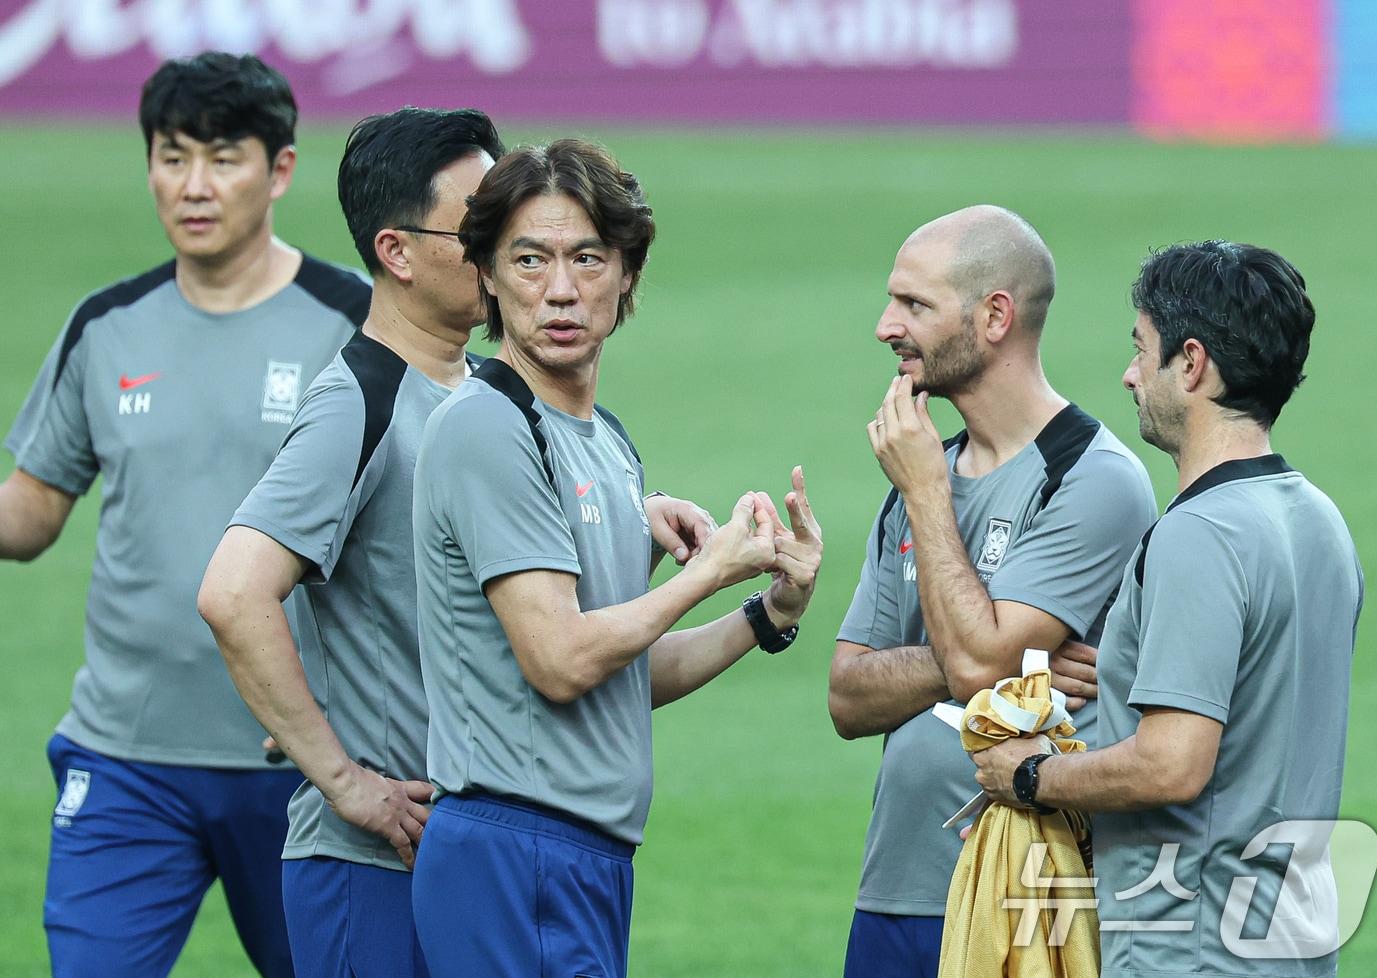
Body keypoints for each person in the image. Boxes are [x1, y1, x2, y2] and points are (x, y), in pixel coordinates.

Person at [199, 108, 722, 978]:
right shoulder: (357, 402)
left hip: (474, 846)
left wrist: (634, 513)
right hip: (374, 859)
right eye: (478, 224)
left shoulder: (493, 397)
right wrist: (342, 778)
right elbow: (232, 591)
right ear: (399, 252)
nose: (505, 241)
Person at [409, 138, 824, 978]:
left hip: (578, 859)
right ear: (486, 274)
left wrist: (767, 613)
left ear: (626, 273)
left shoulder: (605, 442)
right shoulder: (491, 426)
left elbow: (619, 678)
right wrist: (708, 574)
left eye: (587, 258)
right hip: (514, 851)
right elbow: (561, 660)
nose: (560, 289)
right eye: (530, 259)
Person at [0, 52, 369, 978]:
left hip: (307, 765)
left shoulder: (358, 326)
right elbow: (31, 515)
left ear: (279, 169)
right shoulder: (106, 326)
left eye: (222, 157)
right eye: (171, 157)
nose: (192, 186)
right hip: (126, 759)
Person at [973, 241, 1362, 978]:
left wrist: (1028, 774)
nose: (1128, 374)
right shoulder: (1320, 521)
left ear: (1191, 363)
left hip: (1191, 950)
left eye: (1140, 350)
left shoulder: (1199, 533)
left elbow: (1173, 765)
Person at [828, 205, 1158, 977]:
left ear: (995, 316)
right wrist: (997, 661)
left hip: (1018, 902)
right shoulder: (920, 470)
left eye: (914, 304)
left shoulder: (1091, 478)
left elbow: (981, 669)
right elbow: (847, 697)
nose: (885, 326)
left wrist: (929, 500)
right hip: (892, 891)